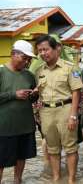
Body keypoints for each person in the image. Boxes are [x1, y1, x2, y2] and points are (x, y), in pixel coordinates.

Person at [35, 35, 83, 184]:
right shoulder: (38, 71)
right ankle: (56, 178)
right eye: (40, 50)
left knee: (70, 148)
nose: (43, 53)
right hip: (46, 112)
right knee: (52, 149)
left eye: (46, 49)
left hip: (65, 109)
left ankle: (71, 179)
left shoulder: (70, 68)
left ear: (57, 49)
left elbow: (76, 91)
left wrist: (73, 115)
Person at [0, 40, 37, 184]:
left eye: (29, 59)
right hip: (5, 127)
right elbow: (13, 95)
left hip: (25, 126)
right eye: (24, 58)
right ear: (13, 54)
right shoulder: (1, 72)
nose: (27, 61)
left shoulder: (29, 75)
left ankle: (18, 180)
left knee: (22, 156)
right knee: (1, 160)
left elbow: (33, 98)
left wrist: (34, 95)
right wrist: (13, 95)